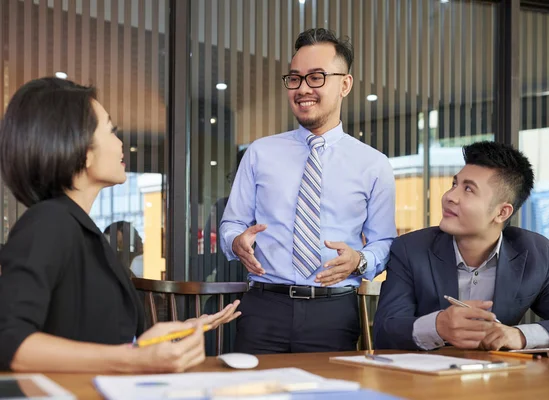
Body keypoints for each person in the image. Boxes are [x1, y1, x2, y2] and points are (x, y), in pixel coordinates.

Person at [0, 77, 240, 372]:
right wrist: (134, 359)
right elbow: (9, 340)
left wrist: (177, 332)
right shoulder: (48, 223)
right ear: (83, 150)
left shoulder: (81, 230)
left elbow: (97, 337)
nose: (120, 142)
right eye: (111, 130)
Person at [220, 28, 396, 353]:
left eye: (316, 77)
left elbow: (385, 241)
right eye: (295, 78)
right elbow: (232, 223)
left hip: (333, 311)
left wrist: (360, 260)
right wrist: (236, 240)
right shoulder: (260, 153)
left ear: (345, 84)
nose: (303, 89)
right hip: (263, 307)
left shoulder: (374, 164)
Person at [373, 141, 549, 351]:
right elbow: (385, 331)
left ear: (502, 212)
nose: (450, 196)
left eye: (468, 189)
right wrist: (438, 326)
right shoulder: (411, 249)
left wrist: (520, 336)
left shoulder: (534, 253)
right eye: (455, 184)